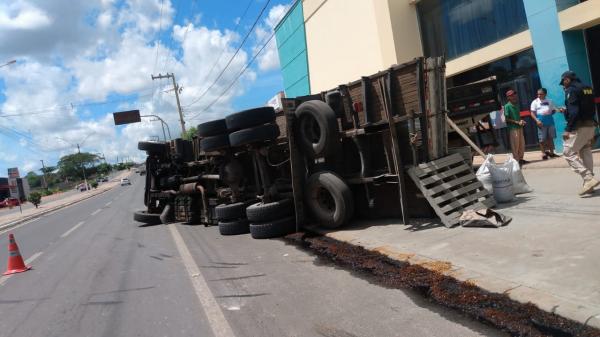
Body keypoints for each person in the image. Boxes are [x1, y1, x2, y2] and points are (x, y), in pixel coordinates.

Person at [558, 70, 599, 195]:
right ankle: (589, 183)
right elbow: (587, 107)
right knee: (585, 150)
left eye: (563, 83)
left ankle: (588, 177)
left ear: (567, 79)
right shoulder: (587, 88)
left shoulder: (571, 90)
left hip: (579, 127)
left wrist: (567, 129)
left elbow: (575, 112)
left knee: (568, 152)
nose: (563, 86)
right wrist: (566, 111)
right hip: (590, 124)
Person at [530, 88, 559, 160]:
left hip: (550, 122)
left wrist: (549, 113)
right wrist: (537, 120)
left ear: (545, 94)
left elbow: (553, 110)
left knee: (550, 138)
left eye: (541, 94)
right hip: (541, 123)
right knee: (542, 139)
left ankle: (552, 153)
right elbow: (532, 113)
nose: (539, 95)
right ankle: (543, 154)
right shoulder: (535, 102)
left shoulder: (550, 101)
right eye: (538, 94)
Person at [503, 89, 528, 165]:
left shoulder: (516, 105)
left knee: (522, 144)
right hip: (513, 128)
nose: (514, 96)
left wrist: (521, 121)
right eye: (512, 95)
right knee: (515, 145)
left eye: (514, 94)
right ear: (508, 97)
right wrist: (516, 122)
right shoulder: (507, 106)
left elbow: (518, 116)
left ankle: (521, 159)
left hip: (519, 127)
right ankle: (516, 161)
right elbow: (506, 118)